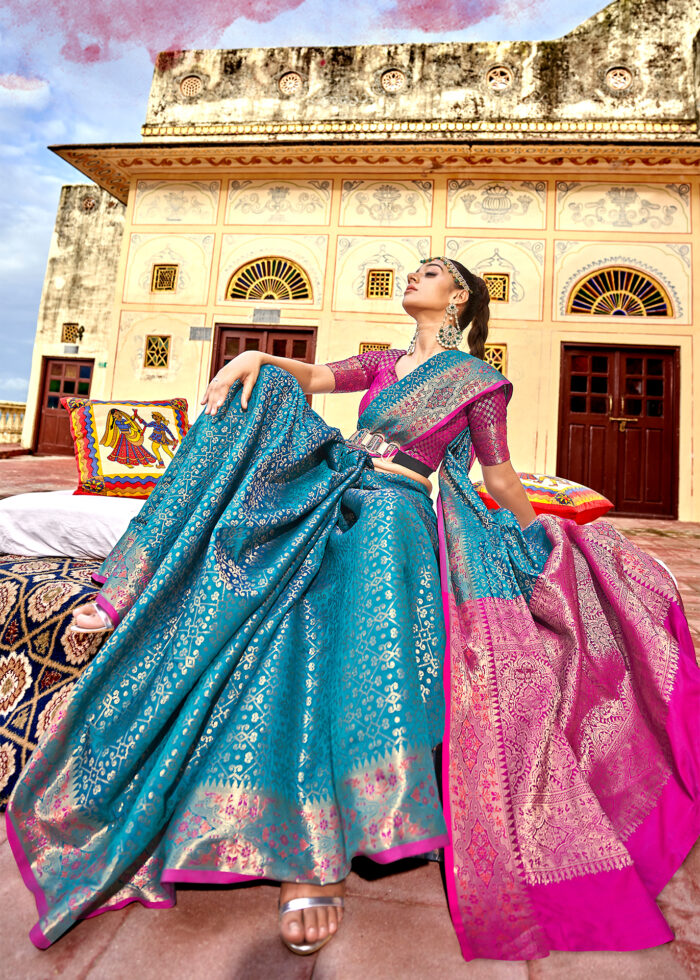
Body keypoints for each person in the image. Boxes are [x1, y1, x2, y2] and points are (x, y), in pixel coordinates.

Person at [7, 258, 700, 961]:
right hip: (333, 490)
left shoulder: (480, 383)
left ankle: (322, 853)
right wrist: (253, 355)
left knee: (354, 627)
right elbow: (309, 380)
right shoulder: (380, 360)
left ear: (457, 295)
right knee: (274, 568)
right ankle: (133, 587)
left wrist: (536, 540)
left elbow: (495, 473)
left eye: (428, 273)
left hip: (395, 513)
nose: (411, 278)